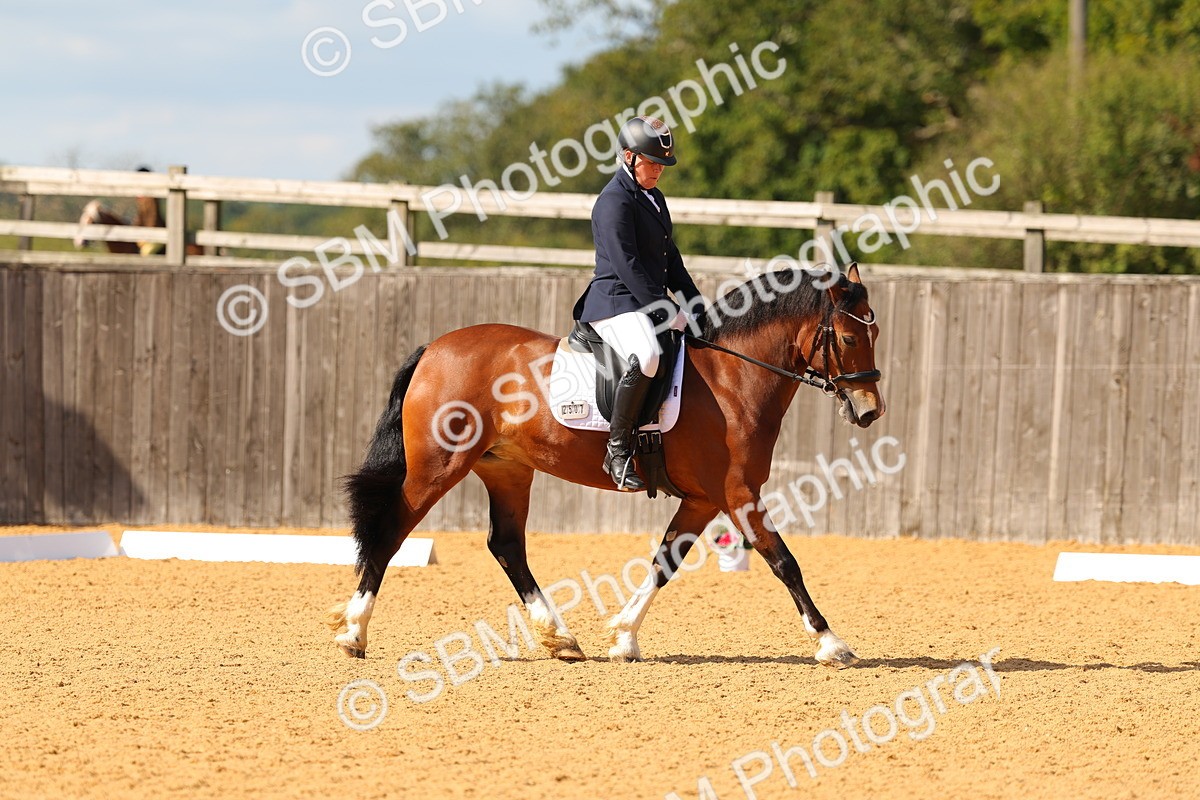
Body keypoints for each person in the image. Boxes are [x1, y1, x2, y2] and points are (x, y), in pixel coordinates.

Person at [571, 115, 705, 492]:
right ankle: (616, 450)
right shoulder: (613, 202)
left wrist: (695, 305)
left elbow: (670, 260)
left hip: (643, 301)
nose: (659, 170)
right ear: (628, 157)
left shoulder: (654, 198)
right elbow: (626, 265)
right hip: (614, 303)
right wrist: (665, 310)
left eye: (662, 164)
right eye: (652, 162)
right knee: (647, 356)